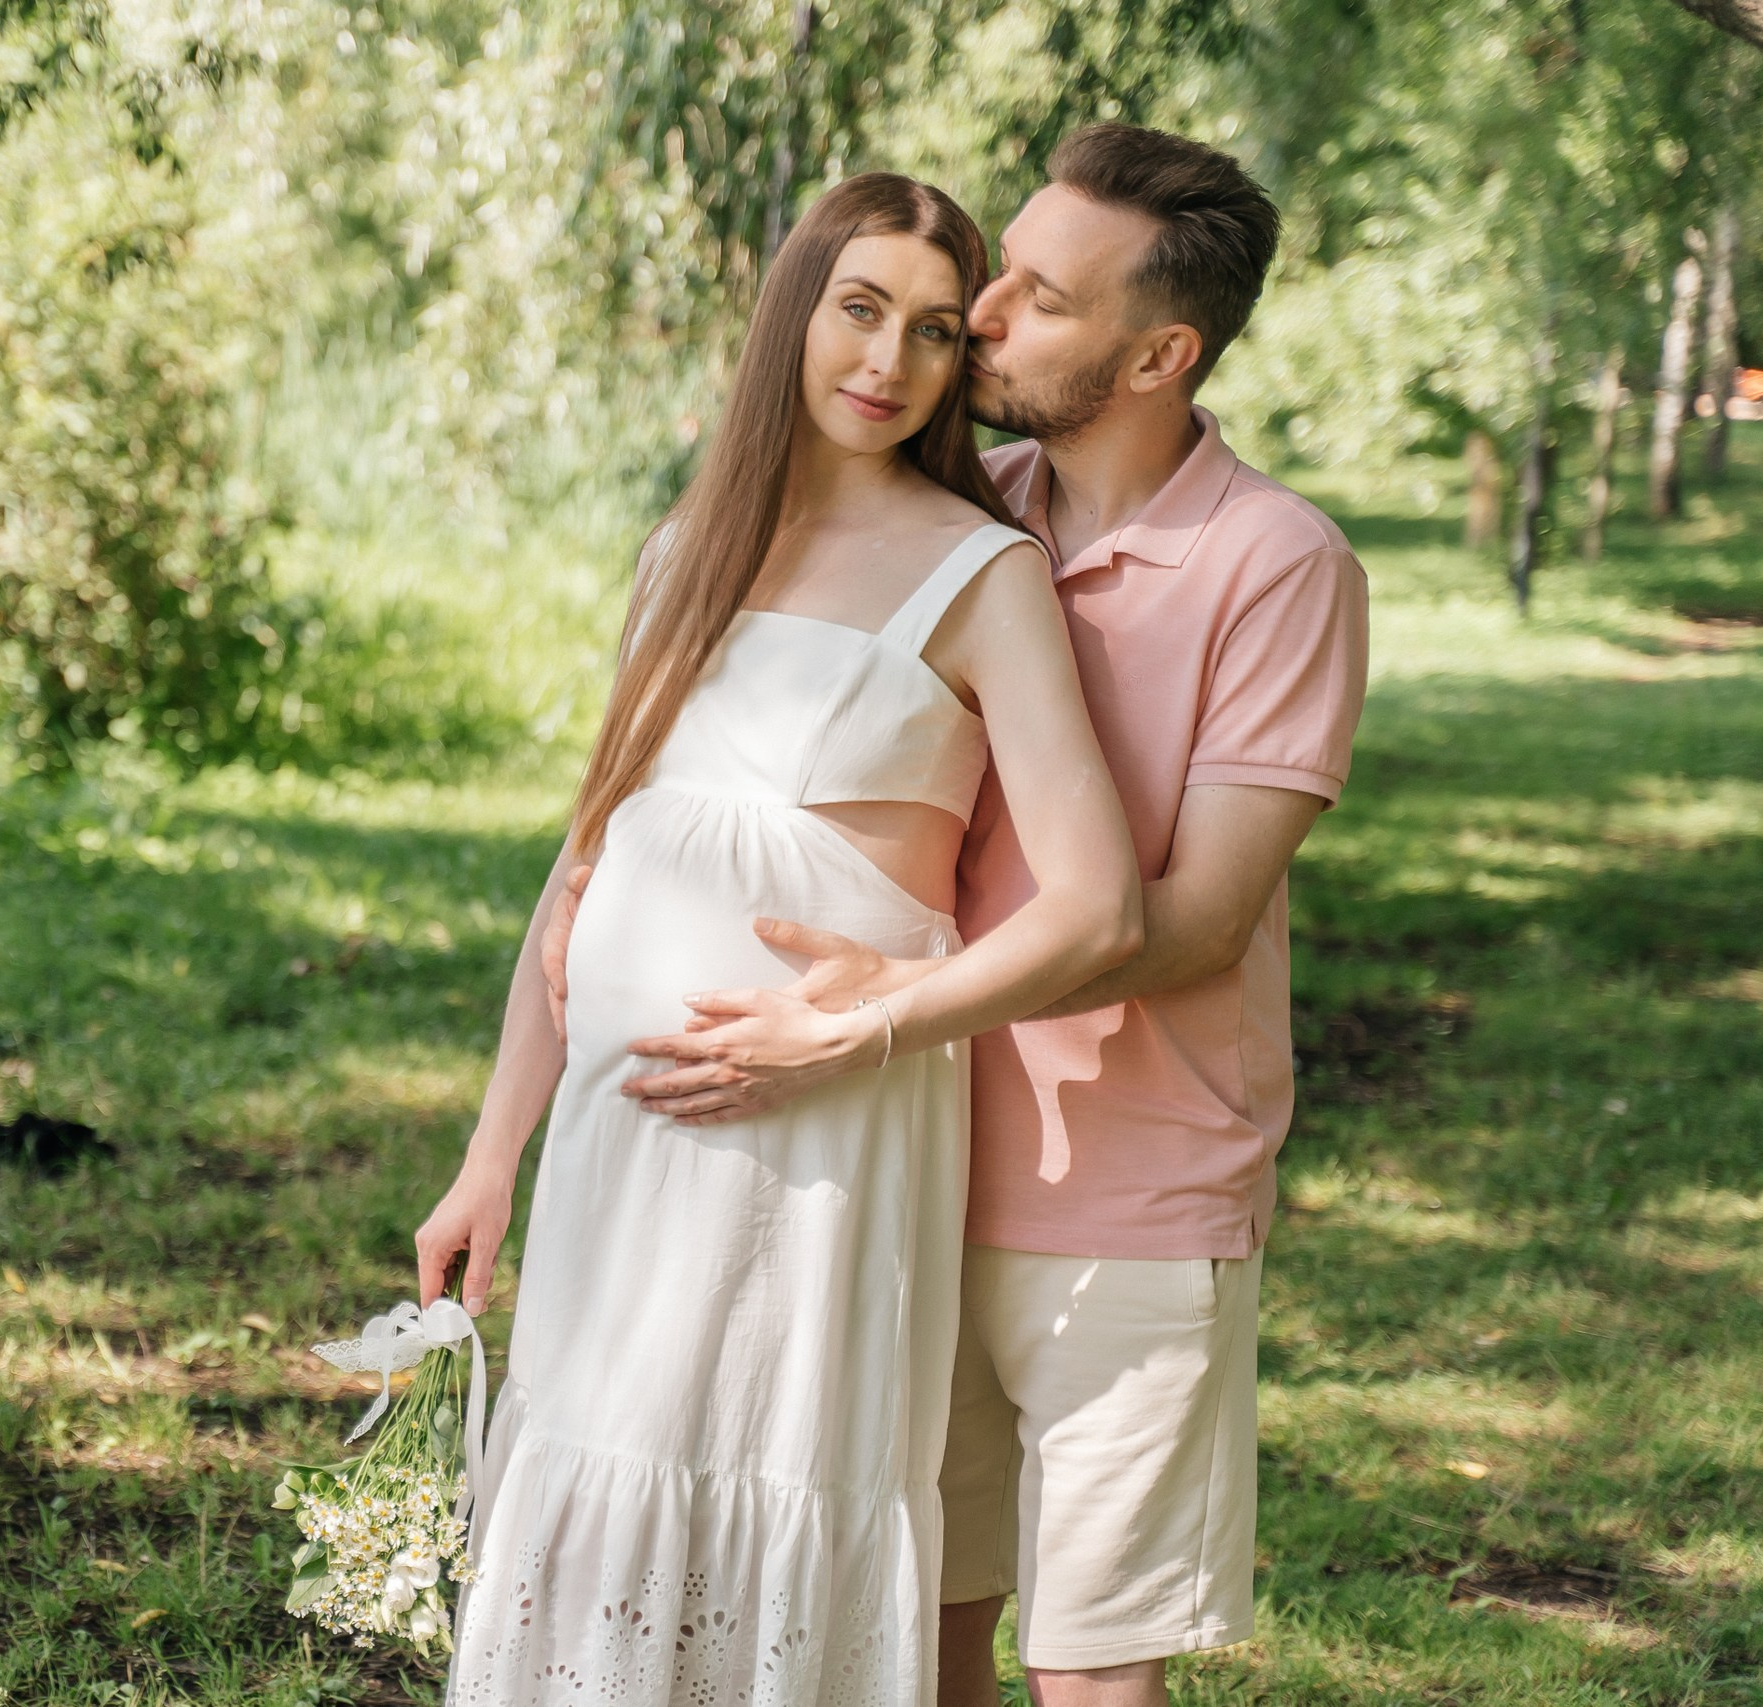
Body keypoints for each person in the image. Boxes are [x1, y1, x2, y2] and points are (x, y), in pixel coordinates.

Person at [546, 126, 1371, 1707]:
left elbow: (1187, 926)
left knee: (1090, 1665)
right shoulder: (963, 516)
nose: (979, 318)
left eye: (1035, 298)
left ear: (1159, 352)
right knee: (916, 1631)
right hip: (906, 1168)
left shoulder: (1278, 565)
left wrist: (866, 1010)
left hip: (1129, 1188)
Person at [414, 172, 1143, 1705]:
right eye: (860, 311)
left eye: (938, 333)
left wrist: (863, 1023)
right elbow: (585, 860)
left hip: (826, 1125)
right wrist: (494, 1155)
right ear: (794, 312)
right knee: (601, 1449)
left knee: (765, 1465)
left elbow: (1098, 906)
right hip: (626, 1139)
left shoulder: (984, 573)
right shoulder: (688, 548)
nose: (890, 364)